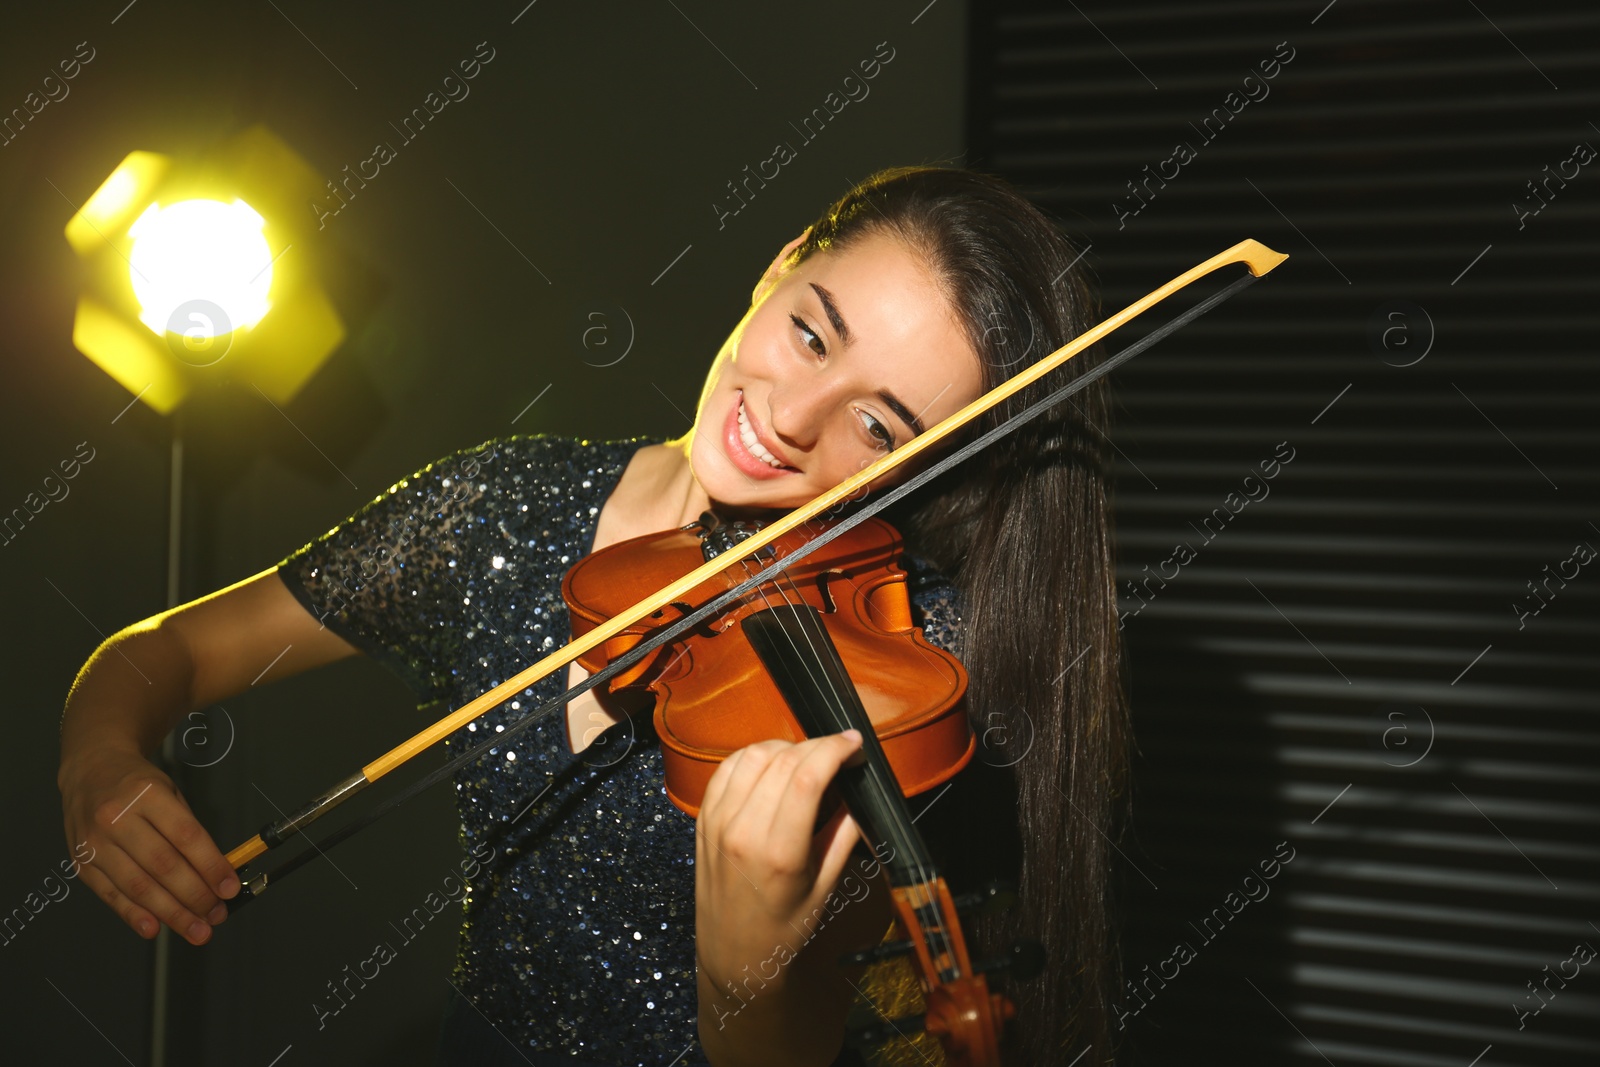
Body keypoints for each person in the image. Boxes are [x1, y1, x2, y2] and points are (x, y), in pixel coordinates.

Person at [57, 166, 1127, 1066]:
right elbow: (166, 650)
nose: (792, 420)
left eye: (878, 427)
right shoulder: (500, 508)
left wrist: (739, 962)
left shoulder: (902, 673)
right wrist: (101, 753)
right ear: (780, 263)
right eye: (810, 334)